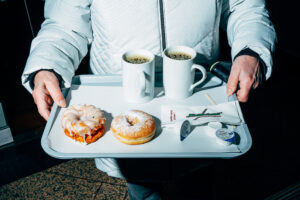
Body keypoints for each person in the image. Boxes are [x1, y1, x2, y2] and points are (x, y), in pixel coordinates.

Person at [21, 0, 276, 199]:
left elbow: (245, 7)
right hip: (126, 108)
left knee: (198, 184)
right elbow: (66, 25)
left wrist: (251, 49)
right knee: (142, 187)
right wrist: (47, 66)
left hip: (197, 100)